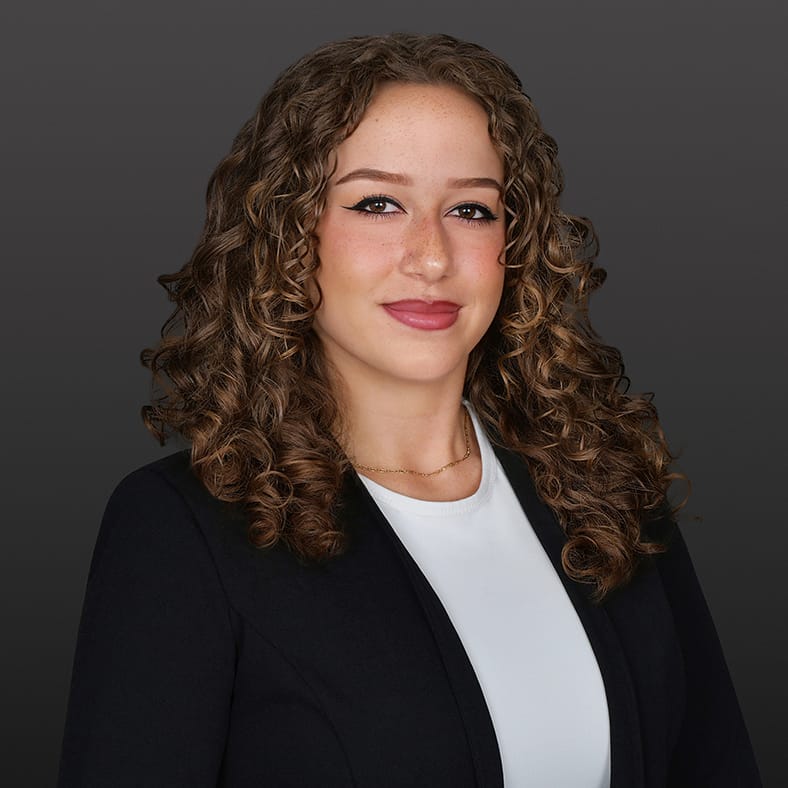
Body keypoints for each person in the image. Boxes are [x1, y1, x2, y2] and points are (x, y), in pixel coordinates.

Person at [57, 33, 761, 788]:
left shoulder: (605, 490)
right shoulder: (180, 530)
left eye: (470, 209)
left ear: (515, 245)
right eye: (378, 204)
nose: (431, 256)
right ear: (288, 236)